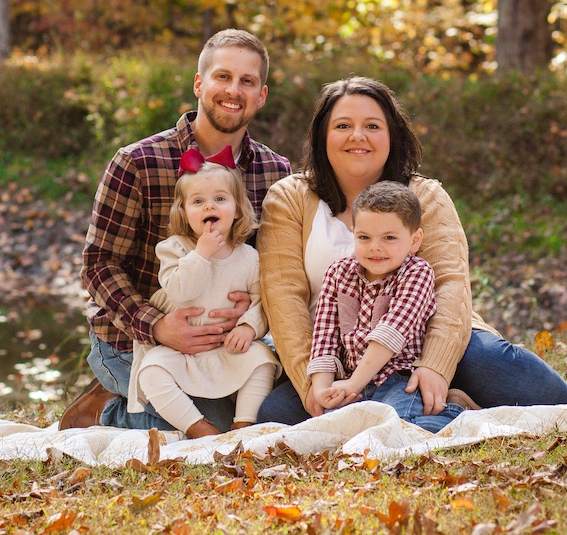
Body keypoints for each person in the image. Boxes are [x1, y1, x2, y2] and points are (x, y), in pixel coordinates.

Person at [256, 76, 567, 425]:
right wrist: (311, 382)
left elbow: (450, 284)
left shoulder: (425, 196)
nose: (358, 136)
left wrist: (435, 367)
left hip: (424, 341)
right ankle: (443, 410)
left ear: (391, 135)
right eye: (343, 125)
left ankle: (452, 398)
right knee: (276, 414)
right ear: (323, 136)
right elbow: (284, 298)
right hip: (336, 357)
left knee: (502, 372)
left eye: (372, 126)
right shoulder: (289, 198)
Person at [60, 30, 291, 431]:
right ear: (199, 83)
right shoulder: (137, 161)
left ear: (261, 95)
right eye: (223, 77)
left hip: (228, 340)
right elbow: (98, 265)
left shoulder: (276, 173)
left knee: (270, 410)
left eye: (247, 81)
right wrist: (156, 325)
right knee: (198, 425)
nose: (233, 90)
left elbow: (278, 269)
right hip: (134, 337)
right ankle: (105, 409)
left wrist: (252, 317)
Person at [129, 150, 281, 439]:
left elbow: (263, 300)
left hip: (227, 347)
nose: (209, 206)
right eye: (198, 201)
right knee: (150, 372)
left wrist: (249, 327)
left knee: (263, 360)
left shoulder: (248, 257)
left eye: (220, 199)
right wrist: (202, 254)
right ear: (184, 213)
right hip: (179, 350)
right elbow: (180, 291)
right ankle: (198, 428)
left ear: (237, 209)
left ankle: (244, 425)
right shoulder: (175, 249)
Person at [308, 181, 465, 433]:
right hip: (351, 382)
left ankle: (456, 415)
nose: (375, 247)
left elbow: (390, 336)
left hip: (397, 378)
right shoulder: (338, 274)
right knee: (331, 432)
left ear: (414, 240)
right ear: (353, 232)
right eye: (364, 237)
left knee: (396, 428)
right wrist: (322, 390)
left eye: (389, 238)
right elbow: (324, 338)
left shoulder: (416, 273)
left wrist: (352, 385)